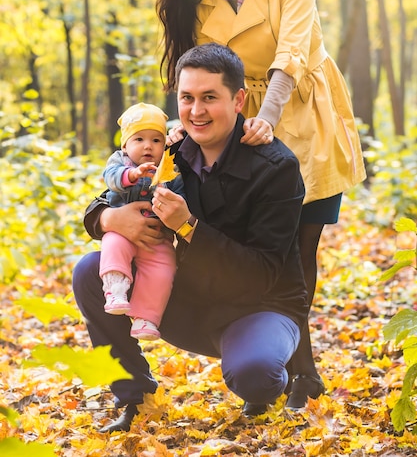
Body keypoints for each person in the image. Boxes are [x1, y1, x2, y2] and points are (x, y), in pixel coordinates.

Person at [156, 0, 367, 409]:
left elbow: (294, 48)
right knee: (264, 244)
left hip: (298, 110)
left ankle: (303, 368)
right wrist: (181, 122)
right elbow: (196, 70)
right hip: (238, 117)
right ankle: (291, 364)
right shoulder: (196, 0)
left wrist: (267, 119)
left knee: (302, 245)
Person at [73, 43, 309, 433]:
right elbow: (100, 204)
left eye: (209, 98)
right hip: (189, 300)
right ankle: (135, 395)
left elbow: (263, 272)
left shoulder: (276, 166)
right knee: (89, 271)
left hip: (259, 306)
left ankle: (263, 375)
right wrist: (112, 218)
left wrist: (188, 226)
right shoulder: (170, 151)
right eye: (187, 98)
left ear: (238, 100)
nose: (196, 111)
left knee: (256, 374)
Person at [99, 102, 184, 341]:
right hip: (123, 230)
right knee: (113, 244)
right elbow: (111, 179)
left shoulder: (168, 168)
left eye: (156, 140)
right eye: (139, 140)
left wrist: (173, 199)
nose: (148, 146)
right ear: (126, 144)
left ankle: (146, 318)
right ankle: (115, 289)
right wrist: (132, 175)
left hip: (156, 238)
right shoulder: (120, 161)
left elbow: (181, 194)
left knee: (163, 267)